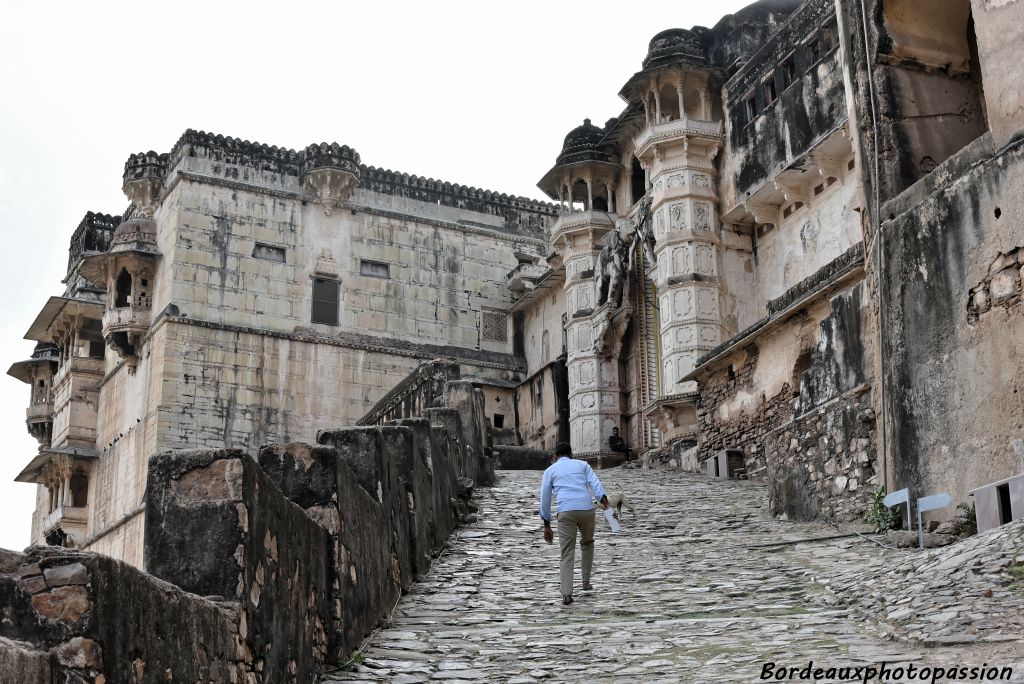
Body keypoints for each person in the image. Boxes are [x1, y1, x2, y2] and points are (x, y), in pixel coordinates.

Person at [539, 442, 610, 605]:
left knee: (567, 553)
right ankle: (586, 582)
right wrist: (605, 503)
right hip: (586, 509)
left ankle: (566, 593)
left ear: (555, 456)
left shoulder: (550, 471)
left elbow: (545, 498)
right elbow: (596, 484)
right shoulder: (582, 465)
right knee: (588, 543)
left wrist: (546, 525)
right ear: (571, 454)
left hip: (566, 511)